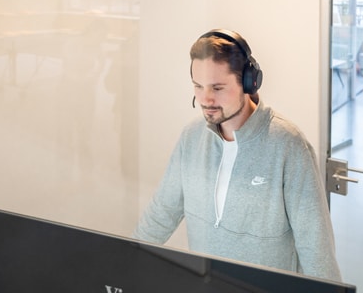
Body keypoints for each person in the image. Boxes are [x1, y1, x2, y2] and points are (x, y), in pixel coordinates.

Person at [133, 29, 342, 281]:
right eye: (198, 86)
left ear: (248, 82)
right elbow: (161, 213)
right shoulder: (192, 137)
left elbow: (315, 245)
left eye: (218, 88)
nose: (205, 99)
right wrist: (123, 263)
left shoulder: (288, 145)